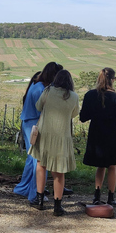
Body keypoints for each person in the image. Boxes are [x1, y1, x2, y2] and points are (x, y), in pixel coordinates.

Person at [28, 69, 79, 216]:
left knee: (41, 165)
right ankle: (57, 205)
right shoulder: (74, 96)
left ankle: (39, 199)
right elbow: (74, 114)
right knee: (59, 171)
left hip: (45, 134)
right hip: (62, 136)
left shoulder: (48, 91)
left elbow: (38, 106)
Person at [13, 63, 63, 203]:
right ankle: (35, 193)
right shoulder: (42, 90)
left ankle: (24, 188)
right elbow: (45, 111)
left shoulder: (36, 85)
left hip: (28, 123)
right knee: (39, 160)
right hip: (35, 124)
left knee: (32, 158)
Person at [79, 67, 116, 206]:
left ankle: (96, 195)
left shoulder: (90, 95)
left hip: (96, 133)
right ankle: (111, 197)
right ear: (112, 80)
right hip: (112, 134)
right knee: (112, 166)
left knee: (100, 166)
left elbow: (83, 117)